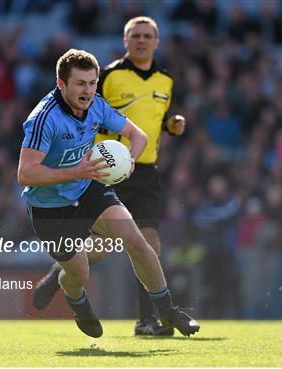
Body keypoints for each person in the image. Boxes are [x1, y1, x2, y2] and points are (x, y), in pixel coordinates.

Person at [18, 48, 199, 338]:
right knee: (78, 275)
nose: (88, 90)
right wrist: (76, 171)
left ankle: (167, 312)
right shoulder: (44, 118)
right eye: (80, 83)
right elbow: (25, 174)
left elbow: (137, 135)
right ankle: (77, 303)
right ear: (61, 84)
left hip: (89, 188)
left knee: (136, 241)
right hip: (49, 208)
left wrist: (128, 161)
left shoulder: (97, 106)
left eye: (92, 83)